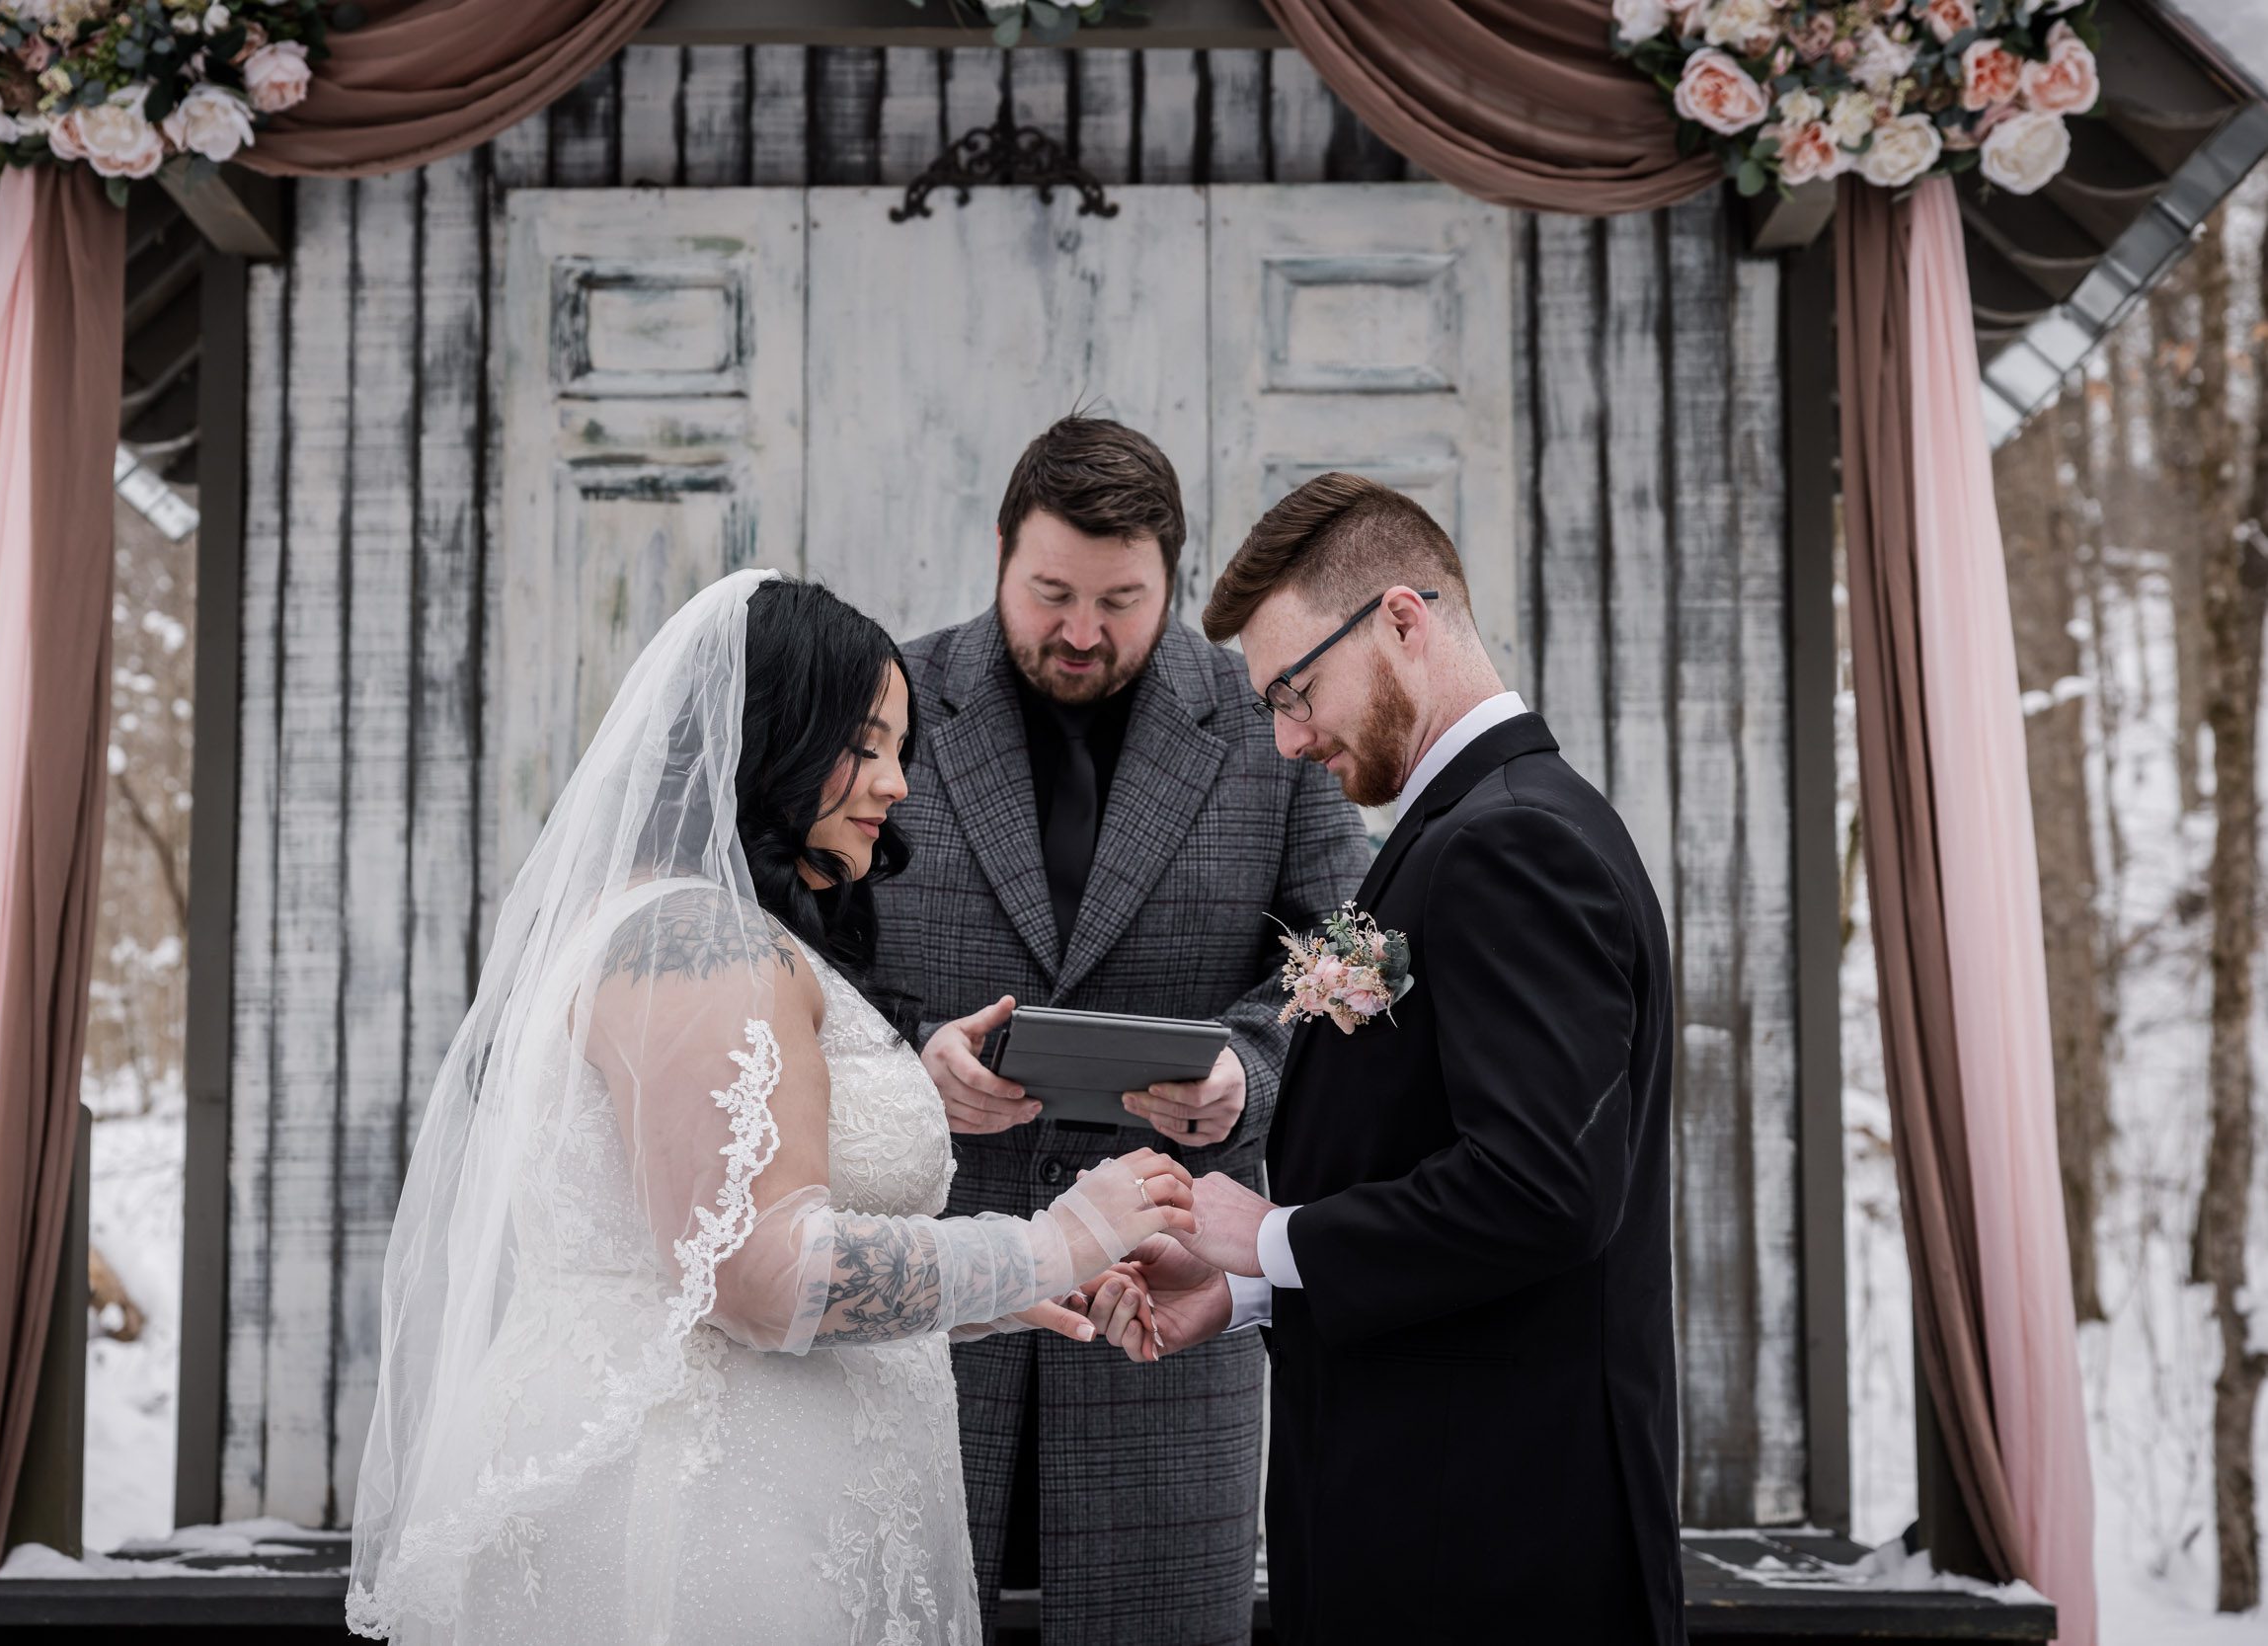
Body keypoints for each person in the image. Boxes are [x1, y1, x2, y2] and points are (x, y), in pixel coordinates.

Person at [346, 571, 1198, 1645]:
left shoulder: (688, 929)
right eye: (868, 742)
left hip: (751, 1477)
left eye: (902, 751)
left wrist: (997, 1280)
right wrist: (1055, 1237)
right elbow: (759, 1273)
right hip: (699, 1505)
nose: (894, 784)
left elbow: (729, 1220)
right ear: (773, 735)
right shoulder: (698, 942)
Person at [1084, 475, 1687, 1643]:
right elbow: (1420, 1150)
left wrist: (1261, 1232)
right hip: (1427, 1523)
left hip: (1494, 1552)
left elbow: (1543, 1190)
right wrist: (1250, 1283)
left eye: (1295, 690)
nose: (1286, 738)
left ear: (1402, 621)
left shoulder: (1512, 843)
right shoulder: (1467, 825)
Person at [877, 418, 1369, 1645]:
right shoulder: (886, 698)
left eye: (1120, 599)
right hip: (928, 1319)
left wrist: (1244, 1075)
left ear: (1177, 579)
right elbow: (801, 959)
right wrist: (911, 1062)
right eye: (1048, 593)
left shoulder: (1273, 722)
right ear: (998, 553)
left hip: (1165, 1325)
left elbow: (1354, 956)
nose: (1080, 631)